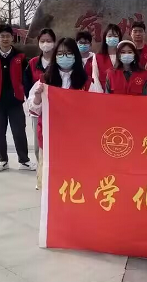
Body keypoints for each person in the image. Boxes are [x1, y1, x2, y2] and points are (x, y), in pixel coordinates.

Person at [28, 38, 102, 189]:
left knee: (74, 181)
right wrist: (37, 97)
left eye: (68, 53)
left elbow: (96, 109)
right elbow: (34, 109)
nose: (64, 57)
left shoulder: (87, 82)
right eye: (60, 53)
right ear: (55, 56)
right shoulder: (45, 80)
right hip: (51, 137)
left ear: (75, 55)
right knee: (52, 182)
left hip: (77, 139)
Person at [0, 23, 34, 173]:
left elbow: (26, 78)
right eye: (2, 36)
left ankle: (24, 161)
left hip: (15, 100)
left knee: (19, 131)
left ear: (12, 38)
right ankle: (2, 160)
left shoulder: (20, 56)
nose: (5, 39)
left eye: (8, 36)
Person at [23, 28, 56, 164]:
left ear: (54, 42)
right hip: (38, 109)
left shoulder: (58, 61)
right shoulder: (33, 63)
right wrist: (33, 101)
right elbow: (26, 85)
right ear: (38, 43)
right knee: (39, 143)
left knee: (55, 142)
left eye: (49, 41)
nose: (45, 44)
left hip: (56, 109)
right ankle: (41, 171)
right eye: (42, 41)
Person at [93, 24, 122, 90]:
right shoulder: (97, 57)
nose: (112, 38)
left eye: (115, 36)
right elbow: (95, 77)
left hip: (120, 92)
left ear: (119, 38)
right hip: (102, 91)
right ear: (105, 38)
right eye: (110, 36)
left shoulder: (123, 55)